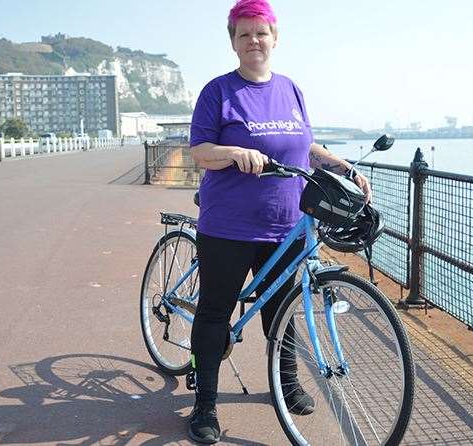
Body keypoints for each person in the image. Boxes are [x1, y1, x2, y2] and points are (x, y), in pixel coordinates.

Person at [188, 1, 372, 443]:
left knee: (282, 313)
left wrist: (340, 164)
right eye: (244, 34)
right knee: (216, 311)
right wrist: (234, 154)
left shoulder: (291, 89)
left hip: (286, 224)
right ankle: (205, 405)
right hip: (228, 226)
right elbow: (199, 151)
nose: (254, 41)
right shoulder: (219, 91)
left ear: (275, 37)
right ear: (233, 42)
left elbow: (304, 145)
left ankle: (285, 385)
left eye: (261, 33)